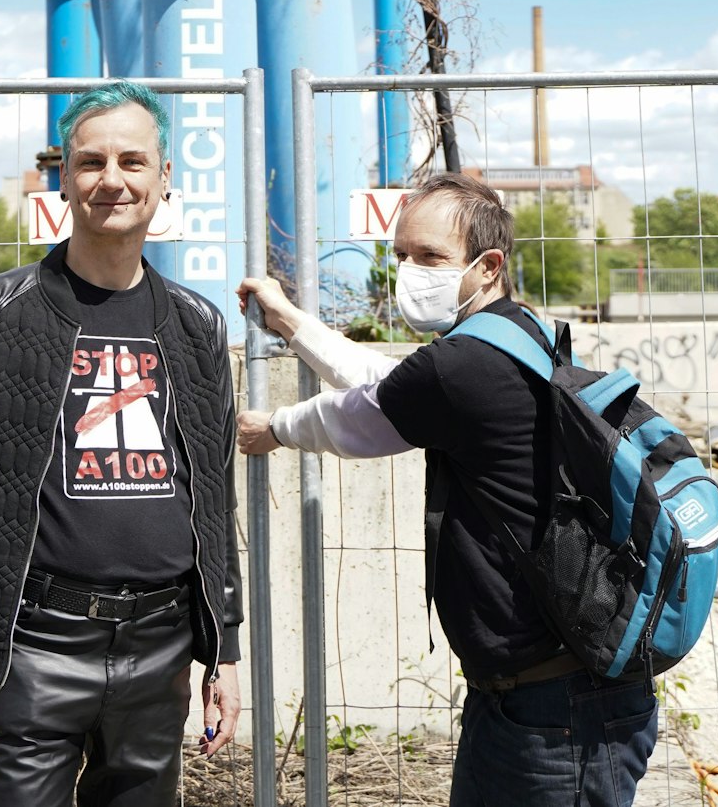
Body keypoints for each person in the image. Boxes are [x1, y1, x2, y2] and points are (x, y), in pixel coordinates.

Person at [236, 172, 657, 807]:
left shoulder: (465, 364)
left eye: (431, 257)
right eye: (402, 255)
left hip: (559, 712)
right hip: (541, 696)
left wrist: (274, 427)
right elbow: (393, 384)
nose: (410, 271)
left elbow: (364, 417)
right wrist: (293, 323)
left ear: (488, 267)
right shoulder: (515, 337)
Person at [0, 81, 242, 806]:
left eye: (133, 161)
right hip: (34, 648)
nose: (112, 180)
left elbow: (216, 503)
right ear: (64, 177)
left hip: (161, 649)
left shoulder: (197, 326)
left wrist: (225, 651)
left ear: (164, 179)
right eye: (91, 163)